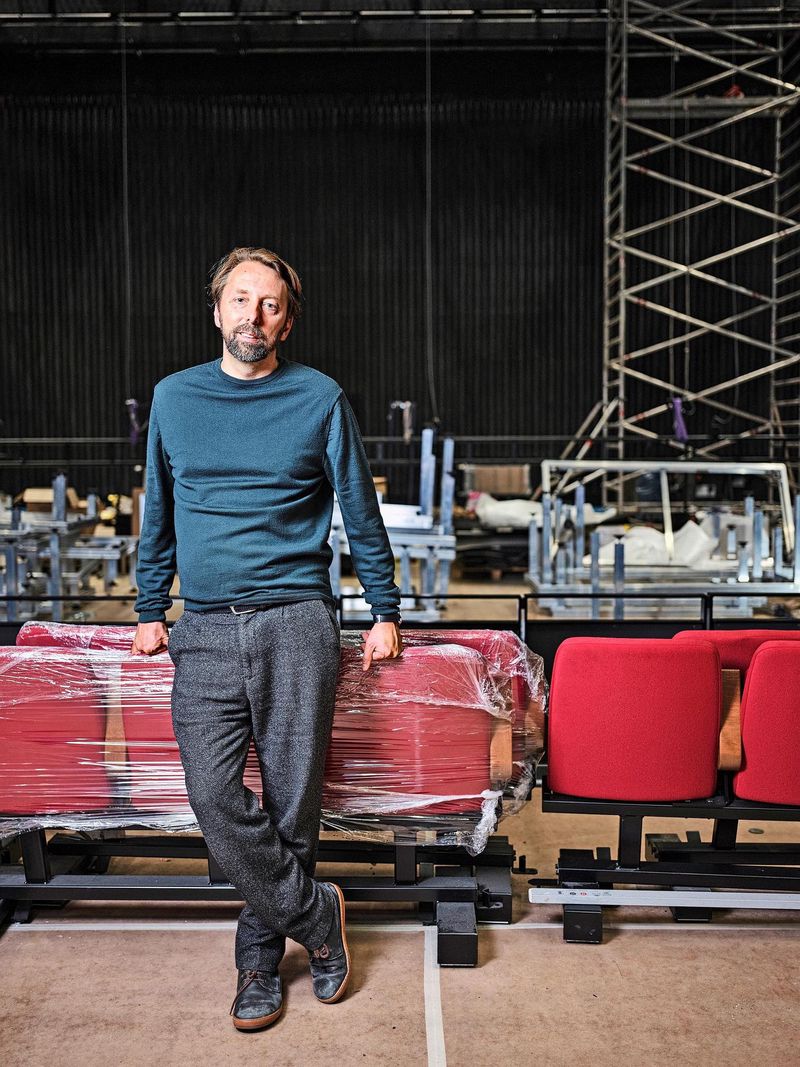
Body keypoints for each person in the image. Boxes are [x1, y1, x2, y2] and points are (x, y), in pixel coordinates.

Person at [130, 246, 402, 1031]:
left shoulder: (318, 398)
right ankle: (318, 919)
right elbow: (162, 513)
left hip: (295, 621)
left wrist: (385, 608)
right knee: (214, 796)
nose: (255, 315)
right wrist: (151, 604)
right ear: (216, 310)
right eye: (241, 300)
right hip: (205, 624)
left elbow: (360, 509)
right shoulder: (174, 399)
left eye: (271, 304)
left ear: (288, 318)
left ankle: (257, 961)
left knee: (293, 803)